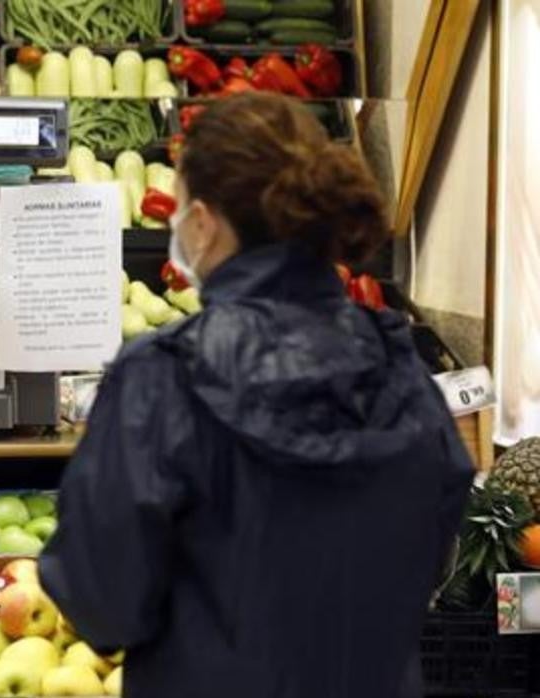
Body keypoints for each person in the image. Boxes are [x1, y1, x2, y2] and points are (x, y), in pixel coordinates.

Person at [38, 93, 474, 697]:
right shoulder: (403, 369)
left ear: (204, 221)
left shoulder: (164, 377)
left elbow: (101, 602)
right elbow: (432, 551)